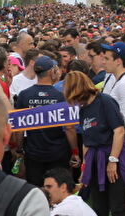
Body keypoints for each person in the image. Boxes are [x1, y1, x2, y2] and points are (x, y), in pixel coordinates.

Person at [64, 71, 125, 216]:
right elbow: (87, 142)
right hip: (95, 160)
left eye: (75, 97)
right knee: (99, 209)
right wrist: (84, 169)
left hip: (114, 155)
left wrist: (113, 160)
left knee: (118, 208)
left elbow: (119, 130)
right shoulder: (83, 110)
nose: (76, 102)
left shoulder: (105, 101)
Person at [14, 56, 79, 186]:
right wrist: (75, 151)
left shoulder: (24, 95)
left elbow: (19, 129)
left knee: (37, 190)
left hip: (33, 153)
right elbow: (70, 128)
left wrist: (20, 150)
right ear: (51, 72)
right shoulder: (62, 96)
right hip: (58, 153)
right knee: (58, 190)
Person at [101, 42, 125, 163]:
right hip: (122, 141)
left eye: (107, 59)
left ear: (118, 61)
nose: (103, 62)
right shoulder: (121, 81)